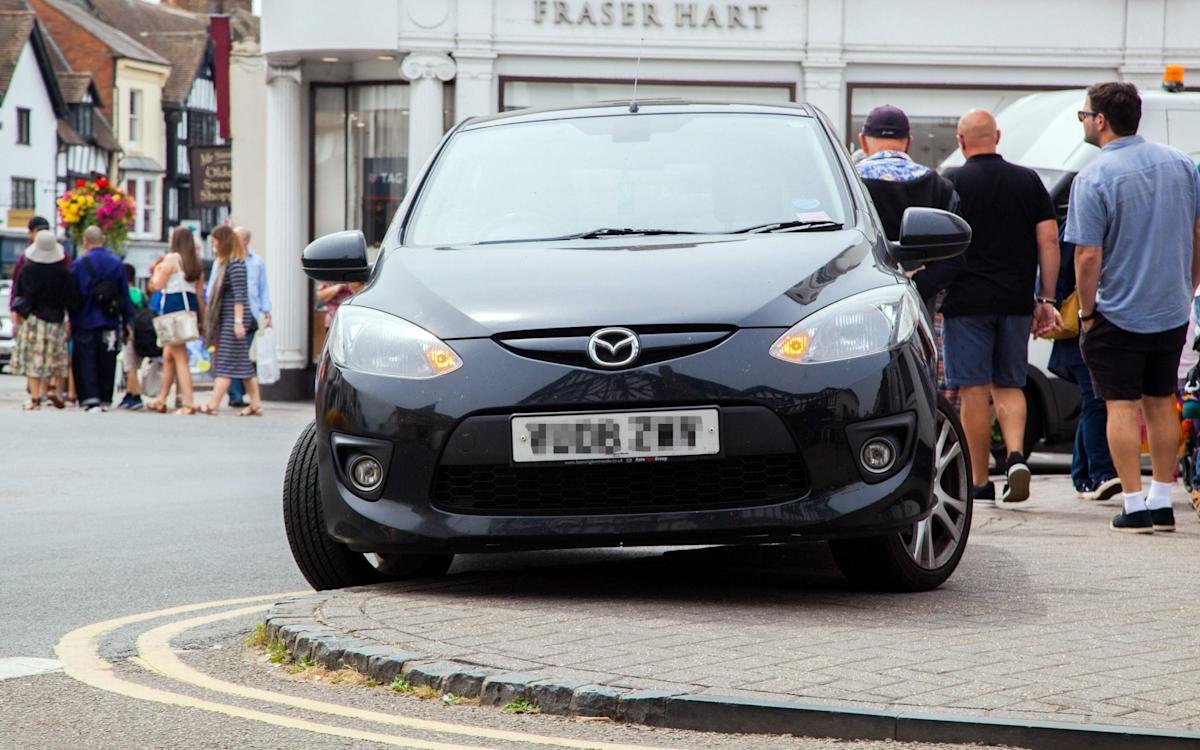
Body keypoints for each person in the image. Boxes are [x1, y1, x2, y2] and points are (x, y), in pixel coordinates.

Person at [1067, 81, 1200, 534]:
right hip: (1170, 308)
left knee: (1120, 407)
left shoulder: (1094, 177)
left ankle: (1134, 502)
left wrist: (1087, 313)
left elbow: (1087, 255)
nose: (1084, 122)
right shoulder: (1182, 165)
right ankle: (1163, 499)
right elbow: (1198, 234)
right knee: (1162, 402)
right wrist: (1188, 286)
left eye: (1084, 115)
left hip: (1116, 311)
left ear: (1101, 120)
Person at [941, 109, 1061, 505]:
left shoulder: (950, 183)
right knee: (1010, 384)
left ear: (960, 142)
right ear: (998, 136)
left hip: (966, 301)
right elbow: (1048, 240)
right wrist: (1045, 298)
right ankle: (1013, 456)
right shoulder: (1027, 181)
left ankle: (978, 480)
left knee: (973, 391)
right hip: (1015, 301)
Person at [854, 104, 962, 306]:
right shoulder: (940, 186)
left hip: (857, 299)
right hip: (916, 306)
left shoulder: (847, 182)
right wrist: (916, 285)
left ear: (863, 141)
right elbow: (954, 257)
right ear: (909, 142)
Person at [1048, 232, 1120, 502]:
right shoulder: (1076, 227)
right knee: (1095, 399)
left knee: (1094, 401)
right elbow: (1064, 270)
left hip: (1093, 324)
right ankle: (1100, 472)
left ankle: (1082, 474)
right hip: (1082, 325)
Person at [198, 225, 263, 416]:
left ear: (223, 241)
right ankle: (256, 404)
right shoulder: (228, 263)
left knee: (225, 364)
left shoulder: (236, 264)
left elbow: (239, 295)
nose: (213, 245)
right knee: (243, 365)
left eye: (215, 241)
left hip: (232, 321)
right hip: (227, 319)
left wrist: (237, 322)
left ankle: (213, 404)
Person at [10, 215, 74, 404]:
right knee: (52, 356)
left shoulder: (27, 269)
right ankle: (53, 387)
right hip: (56, 317)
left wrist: (17, 314)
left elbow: (19, 292)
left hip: (34, 318)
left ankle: (36, 397)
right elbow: (70, 297)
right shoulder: (63, 271)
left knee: (33, 357)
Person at [70, 225, 133, 412]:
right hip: (109, 319)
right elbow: (124, 294)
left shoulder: (79, 264)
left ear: (85, 241)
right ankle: (105, 397)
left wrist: (71, 316)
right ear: (103, 240)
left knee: (86, 358)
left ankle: (90, 397)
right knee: (107, 358)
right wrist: (128, 320)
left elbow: (73, 295)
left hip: (84, 319)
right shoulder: (116, 264)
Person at [145, 227, 206, 415]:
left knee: (180, 357)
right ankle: (162, 399)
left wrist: (156, 270)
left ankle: (189, 403)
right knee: (168, 356)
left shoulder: (171, 258)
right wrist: (201, 320)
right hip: (188, 311)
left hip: (172, 310)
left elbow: (157, 285)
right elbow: (199, 295)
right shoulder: (195, 263)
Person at [116, 263, 147, 410]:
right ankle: (129, 393)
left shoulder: (126, 293)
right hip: (142, 332)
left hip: (131, 332)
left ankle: (136, 395)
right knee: (132, 363)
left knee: (130, 366)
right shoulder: (140, 293)